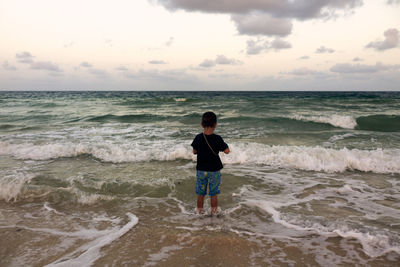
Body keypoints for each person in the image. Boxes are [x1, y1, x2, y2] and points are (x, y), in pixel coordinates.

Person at [191, 111, 230, 215]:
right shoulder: (217, 138)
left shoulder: (198, 137)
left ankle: (199, 212)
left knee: (200, 193)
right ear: (215, 125)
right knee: (213, 194)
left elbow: (194, 151)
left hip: (201, 170)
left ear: (202, 124)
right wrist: (222, 144)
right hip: (214, 171)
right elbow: (227, 151)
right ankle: (214, 212)